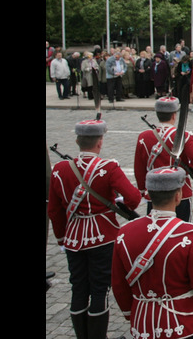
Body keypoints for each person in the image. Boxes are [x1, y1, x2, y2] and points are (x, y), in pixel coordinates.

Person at [47, 119, 142, 339]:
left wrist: (62, 239)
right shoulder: (108, 168)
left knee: (78, 288)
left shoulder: (60, 169)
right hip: (103, 237)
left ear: (78, 141)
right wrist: (115, 199)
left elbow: (54, 210)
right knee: (100, 290)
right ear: (100, 142)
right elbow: (134, 198)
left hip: (73, 239)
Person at [111, 168, 193, 339]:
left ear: (149, 196)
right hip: (183, 324)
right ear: (178, 197)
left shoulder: (125, 233)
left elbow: (118, 285)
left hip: (143, 322)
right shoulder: (192, 234)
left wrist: (132, 314)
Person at [134, 96, 193, 221]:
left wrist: (143, 189)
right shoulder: (185, 136)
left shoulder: (143, 137)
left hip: (154, 193)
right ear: (174, 115)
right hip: (179, 194)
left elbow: (139, 168)